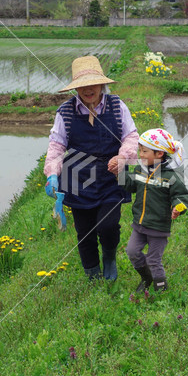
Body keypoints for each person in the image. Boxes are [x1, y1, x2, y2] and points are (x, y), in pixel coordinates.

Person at [44, 56, 138, 281]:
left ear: (102, 84)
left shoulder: (117, 106)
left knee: (108, 226)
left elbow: (131, 137)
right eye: (82, 86)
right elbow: (57, 147)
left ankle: (109, 257)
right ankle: (92, 275)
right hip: (78, 177)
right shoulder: (65, 112)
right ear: (76, 88)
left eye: (93, 84)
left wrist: (122, 157)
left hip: (111, 176)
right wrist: (53, 175)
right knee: (84, 232)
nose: (88, 89)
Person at [118, 128, 188, 292]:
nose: (141, 154)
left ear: (159, 154)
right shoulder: (140, 170)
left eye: (144, 151)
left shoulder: (170, 176)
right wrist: (121, 170)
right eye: (140, 150)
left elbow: (181, 195)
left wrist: (178, 207)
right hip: (140, 225)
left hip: (158, 227)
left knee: (153, 259)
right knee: (132, 252)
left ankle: (161, 289)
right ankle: (146, 277)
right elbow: (129, 186)